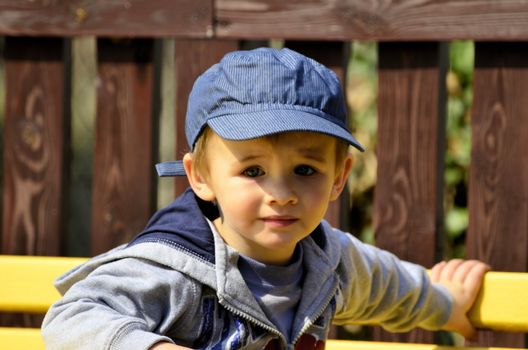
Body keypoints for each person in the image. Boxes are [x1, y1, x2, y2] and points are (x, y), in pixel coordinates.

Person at [42, 47, 489, 350]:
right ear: (200, 177)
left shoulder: (329, 263)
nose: (282, 194)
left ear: (339, 178)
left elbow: (390, 290)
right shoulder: (176, 271)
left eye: (305, 170)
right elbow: (72, 315)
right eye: (253, 171)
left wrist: (447, 304)